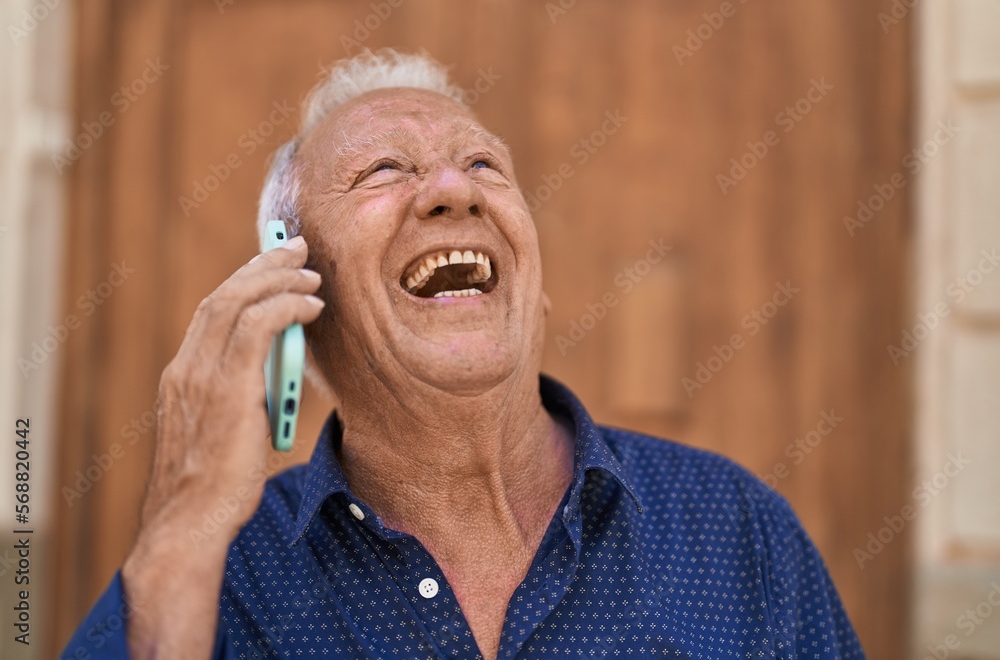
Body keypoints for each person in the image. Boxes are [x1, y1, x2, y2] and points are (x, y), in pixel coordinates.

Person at [62, 49, 864, 660]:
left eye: (483, 163)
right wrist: (180, 531)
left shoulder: (738, 531)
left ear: (536, 291)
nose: (456, 189)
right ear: (292, 291)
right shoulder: (223, 577)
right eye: (384, 169)